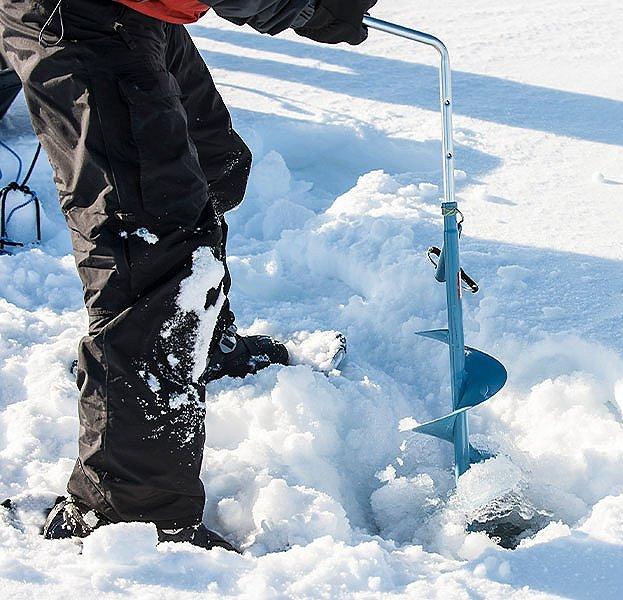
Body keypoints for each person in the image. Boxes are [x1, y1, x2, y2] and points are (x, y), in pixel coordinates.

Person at [0, 0, 376, 551]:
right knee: (150, 238)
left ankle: (191, 342)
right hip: (77, 13)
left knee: (211, 162)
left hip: (141, 11)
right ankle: (128, 511)